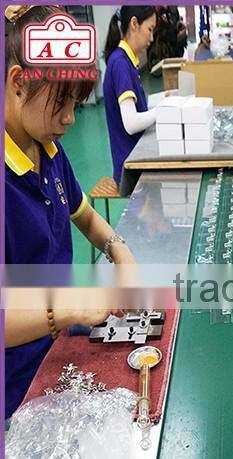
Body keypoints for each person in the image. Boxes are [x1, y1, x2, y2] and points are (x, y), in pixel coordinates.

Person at [4, 5, 135, 419]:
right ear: (19, 83)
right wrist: (66, 310)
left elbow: (86, 217)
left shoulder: (49, 151)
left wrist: (120, 251)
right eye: (61, 103)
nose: (70, 119)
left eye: (76, 104)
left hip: (56, 355)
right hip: (16, 390)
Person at [103, 6, 157, 185]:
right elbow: (131, 123)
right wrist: (163, 111)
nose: (152, 38)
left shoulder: (126, 60)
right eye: (149, 29)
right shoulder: (120, 63)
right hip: (131, 169)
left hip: (136, 158)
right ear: (134, 24)